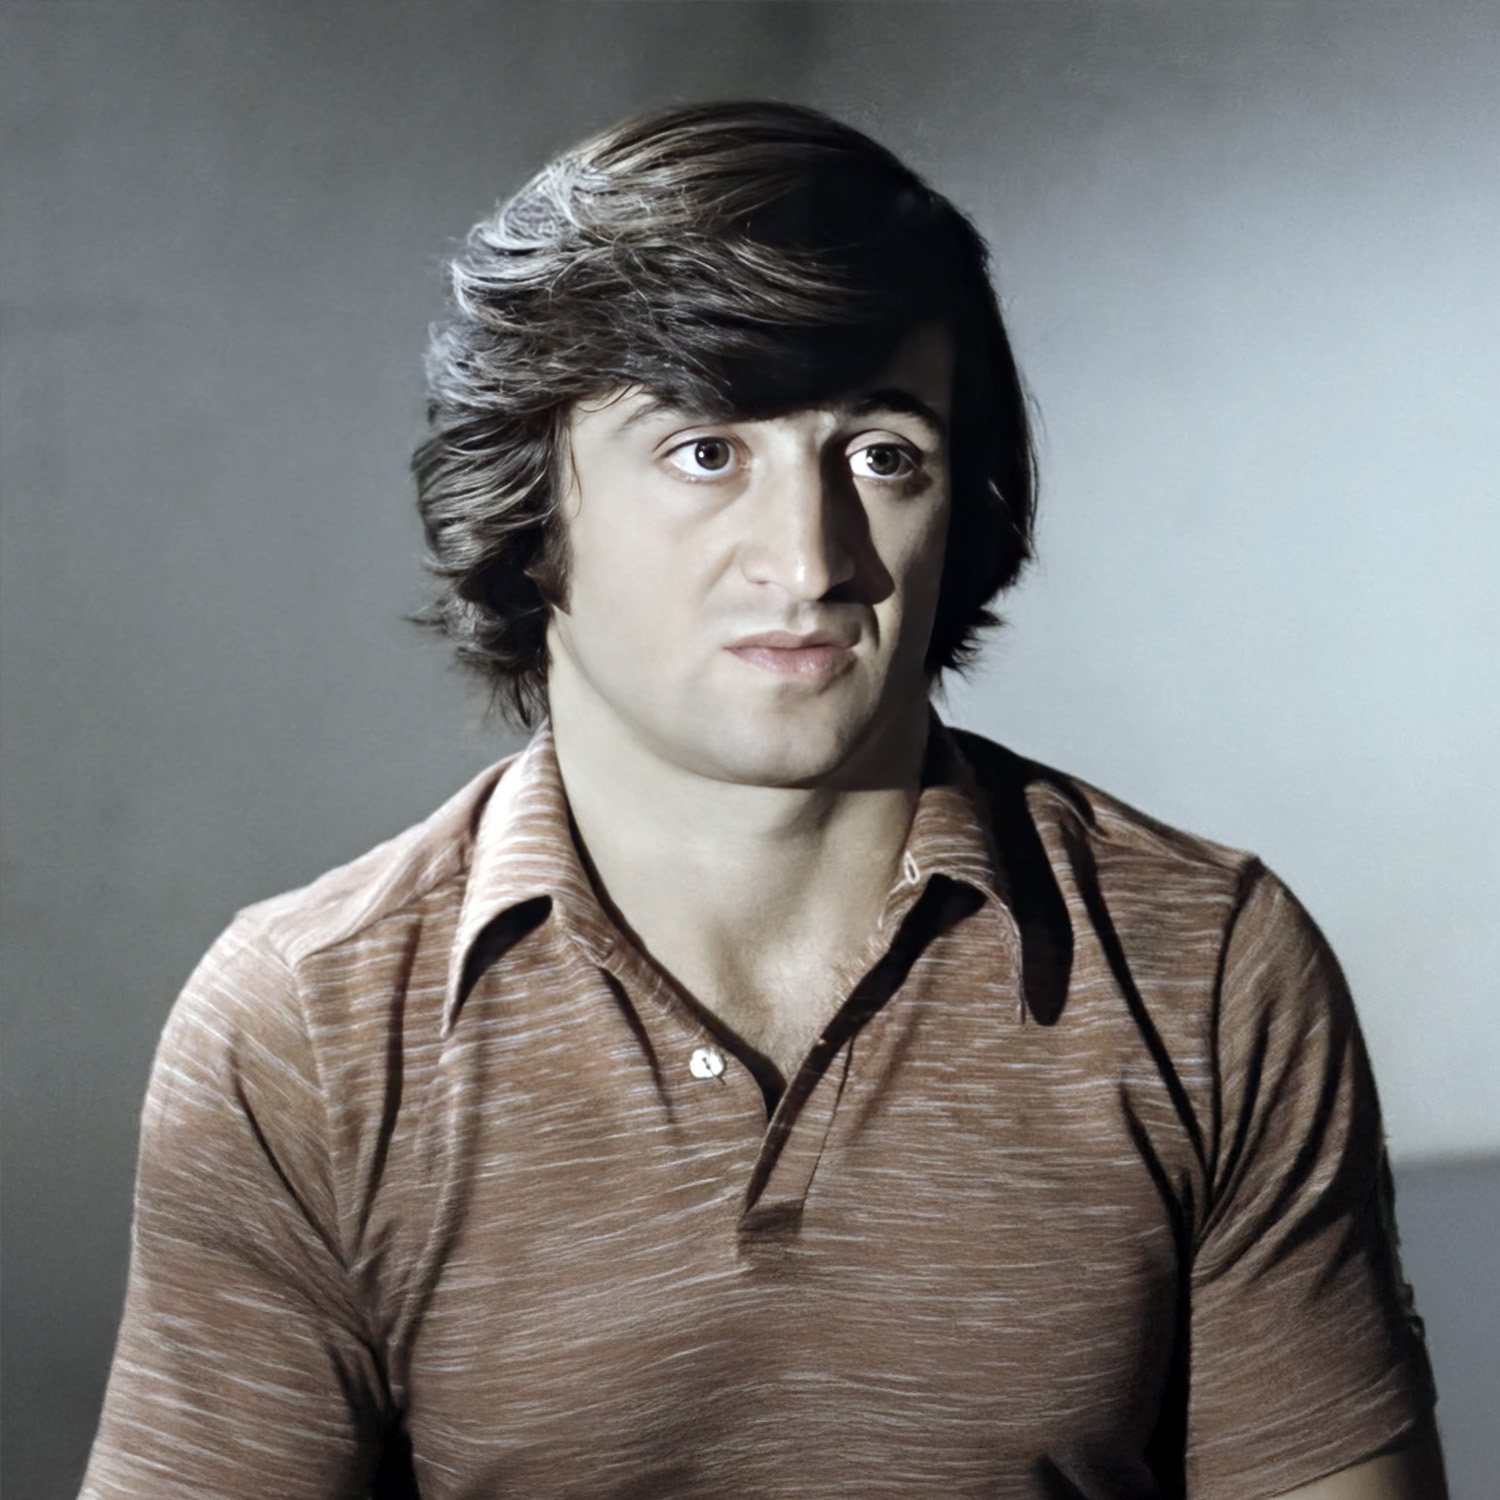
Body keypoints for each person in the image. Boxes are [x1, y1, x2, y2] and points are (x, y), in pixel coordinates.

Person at [82, 102, 1444, 1500]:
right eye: (707, 451)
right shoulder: (307, 1022)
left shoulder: (1206, 967)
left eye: (882, 455)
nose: (809, 560)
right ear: (533, 502)